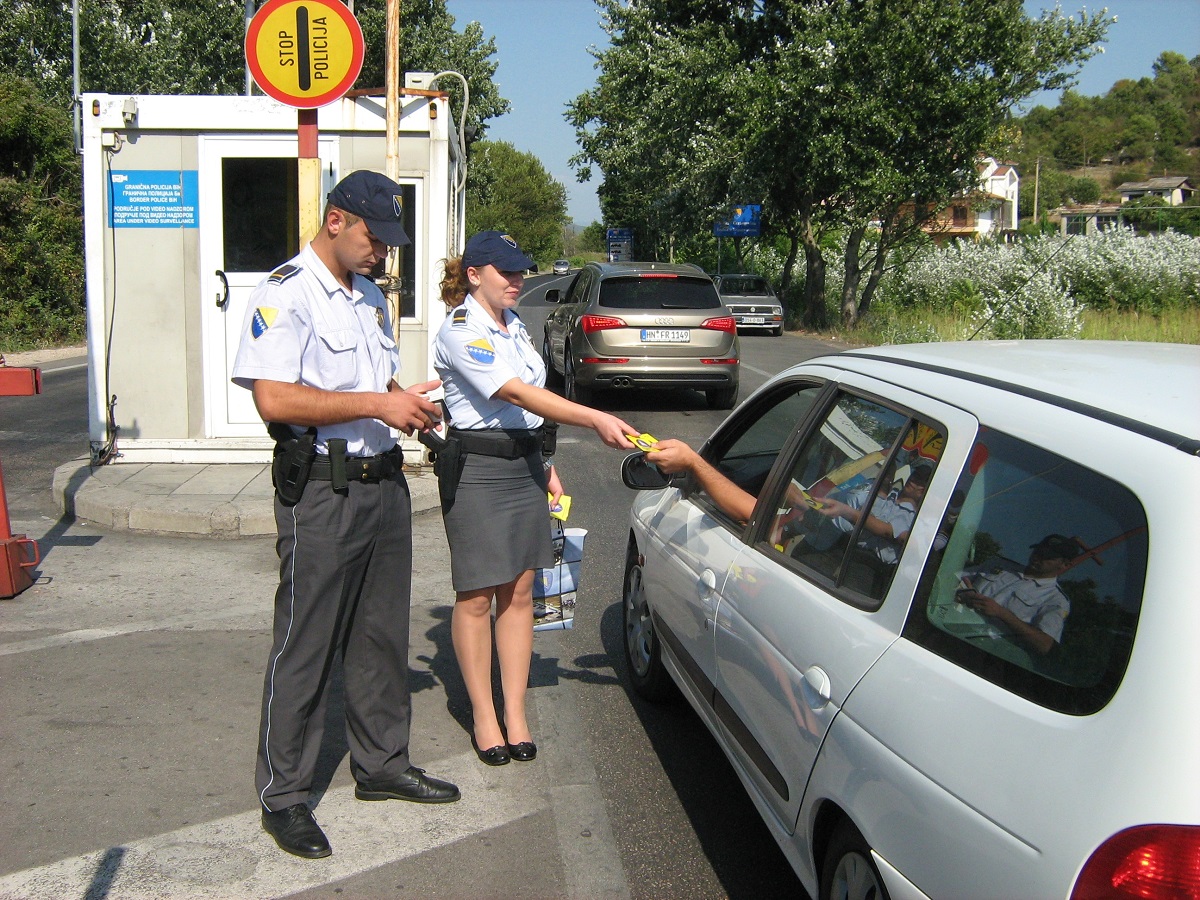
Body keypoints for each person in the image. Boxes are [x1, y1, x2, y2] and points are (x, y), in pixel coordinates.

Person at [232, 170, 459, 860]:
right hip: (324, 493)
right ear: (336, 220)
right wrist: (376, 405)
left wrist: (404, 401)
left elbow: (368, 383)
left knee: (381, 638)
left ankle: (382, 764)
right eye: (374, 237)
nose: (383, 252)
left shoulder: (367, 299)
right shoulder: (285, 293)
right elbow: (274, 399)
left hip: (383, 485)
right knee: (306, 643)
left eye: (390, 241)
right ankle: (285, 795)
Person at [433, 231, 638, 767]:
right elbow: (516, 393)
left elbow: (525, 413)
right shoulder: (461, 329)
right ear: (475, 274)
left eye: (522, 270)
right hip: (477, 470)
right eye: (507, 272)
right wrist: (593, 417)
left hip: (523, 465)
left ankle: (515, 712)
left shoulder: (515, 325)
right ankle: (483, 715)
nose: (518, 280)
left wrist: (543, 465)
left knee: (520, 591)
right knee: (478, 594)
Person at [956, 533, 1083, 656]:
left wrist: (1001, 613)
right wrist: (962, 590)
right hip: (951, 625)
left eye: (1047, 556)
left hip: (983, 649)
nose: (1037, 557)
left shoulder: (1055, 600)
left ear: (1065, 564)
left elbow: (1045, 645)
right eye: (1037, 551)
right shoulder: (998, 565)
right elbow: (953, 577)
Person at [815, 463, 933, 565]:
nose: (913, 481)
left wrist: (846, 512)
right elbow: (879, 497)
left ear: (925, 490)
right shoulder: (893, 494)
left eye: (920, 481)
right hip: (837, 540)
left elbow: (887, 531)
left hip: (868, 563)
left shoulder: (909, 512)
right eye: (915, 475)